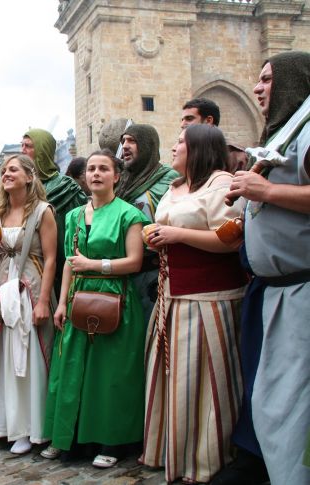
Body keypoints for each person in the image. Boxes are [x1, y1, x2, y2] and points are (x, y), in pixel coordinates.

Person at [219, 50, 310, 485]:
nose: (257, 88)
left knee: (290, 404)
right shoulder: (284, 136)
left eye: (269, 79)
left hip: (301, 293)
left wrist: (265, 193)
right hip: (275, 293)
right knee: (274, 399)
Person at [140, 125, 247, 483]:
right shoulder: (174, 187)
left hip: (208, 300)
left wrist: (175, 235)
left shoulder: (222, 184)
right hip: (172, 296)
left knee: (205, 383)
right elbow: (168, 229)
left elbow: (230, 238)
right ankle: (173, 451)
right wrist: (159, 238)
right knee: (177, 380)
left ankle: (205, 460)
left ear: (199, 148)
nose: (173, 147)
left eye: (180, 143)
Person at [43, 149, 148, 467]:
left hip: (117, 301)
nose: (96, 174)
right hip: (78, 300)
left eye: (104, 168)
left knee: (111, 375)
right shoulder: (74, 215)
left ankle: (111, 442)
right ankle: (68, 439)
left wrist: (96, 265)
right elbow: (69, 265)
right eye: (91, 169)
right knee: (72, 372)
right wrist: (61, 303)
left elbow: (135, 262)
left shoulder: (129, 214)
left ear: (116, 176)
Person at [0, 154, 57, 455]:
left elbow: (50, 259)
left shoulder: (43, 212)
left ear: (30, 176)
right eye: (4, 170)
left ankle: (28, 428)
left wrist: (44, 301)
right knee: (0, 355)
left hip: (29, 288)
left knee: (27, 357)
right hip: (2, 286)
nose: (6, 174)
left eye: (13, 169)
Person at [117, 124, 179, 322]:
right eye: (123, 141)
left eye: (132, 141)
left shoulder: (170, 180)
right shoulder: (120, 180)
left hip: (154, 273)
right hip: (122, 272)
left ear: (147, 145)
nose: (125, 146)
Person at [21, 129, 87, 291]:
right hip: (28, 265)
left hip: (62, 264)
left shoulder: (67, 187)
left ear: (42, 150)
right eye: (21, 145)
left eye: (28, 146)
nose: (22, 150)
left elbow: (79, 231)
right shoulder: (20, 187)